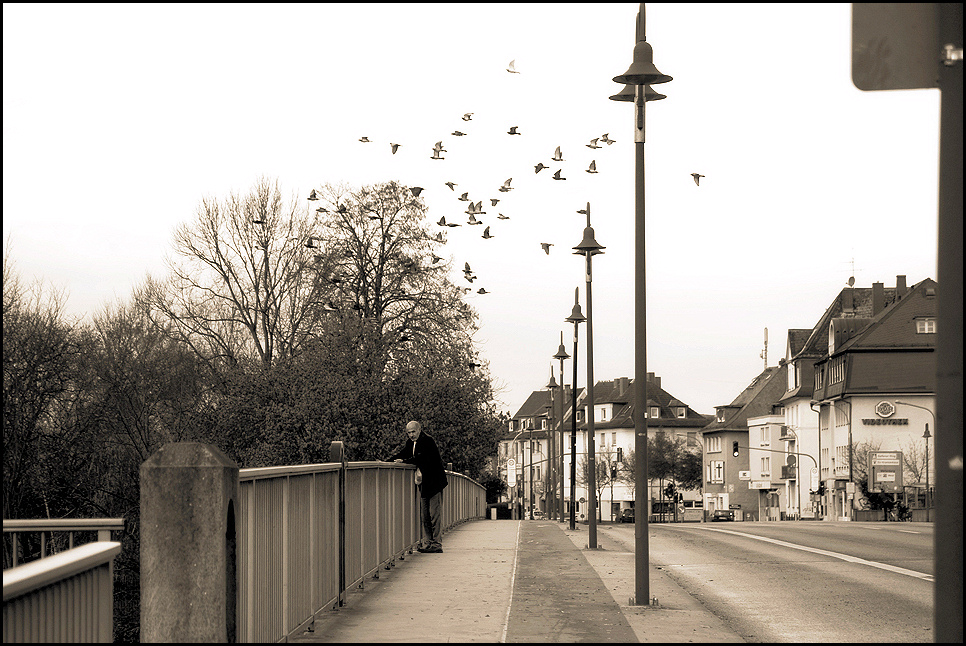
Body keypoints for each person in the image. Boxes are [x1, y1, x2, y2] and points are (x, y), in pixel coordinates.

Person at [387, 421, 448, 553]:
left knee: (434, 514)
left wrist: (404, 461)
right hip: (424, 483)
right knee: (425, 515)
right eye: (408, 433)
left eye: (413, 432)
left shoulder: (427, 441)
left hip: (434, 482)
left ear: (419, 430)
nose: (411, 435)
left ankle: (437, 544)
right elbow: (404, 453)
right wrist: (388, 461)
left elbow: (421, 459)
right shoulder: (411, 443)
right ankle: (429, 542)